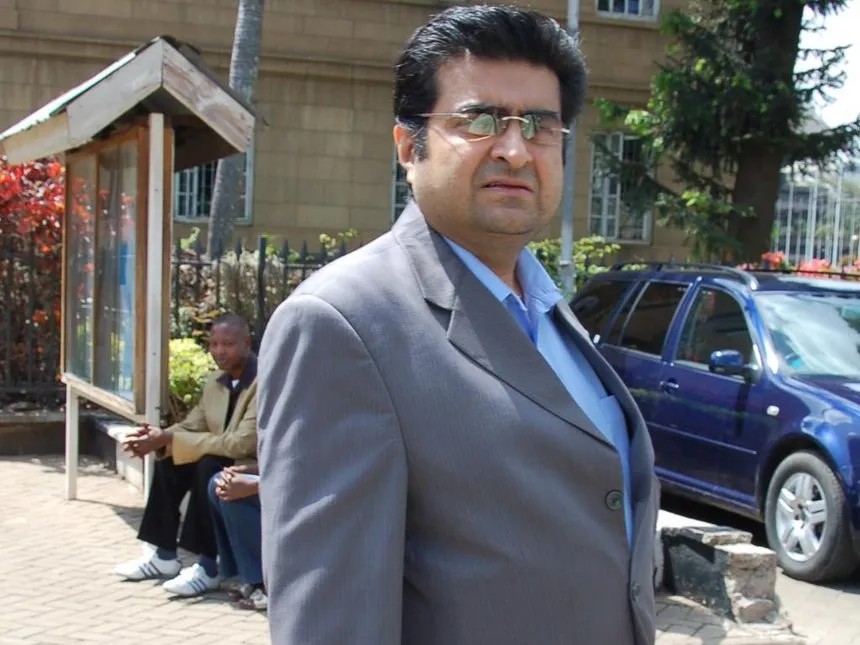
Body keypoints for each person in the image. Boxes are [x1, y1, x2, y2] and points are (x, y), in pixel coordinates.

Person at [258, 5, 659, 645]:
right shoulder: (342, 325)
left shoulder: (547, 306)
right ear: (407, 146)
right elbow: (331, 622)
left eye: (540, 126)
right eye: (479, 120)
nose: (514, 150)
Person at [115, 313, 258, 598]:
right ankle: (163, 556)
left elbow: (242, 443)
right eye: (214, 344)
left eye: (228, 344)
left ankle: (208, 567)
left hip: (251, 464)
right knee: (170, 460)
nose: (219, 351)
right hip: (221, 453)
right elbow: (193, 424)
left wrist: (171, 438)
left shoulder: (262, 383)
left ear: (247, 343)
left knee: (208, 465)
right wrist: (158, 437)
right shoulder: (215, 381)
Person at [207, 463, 267, 610]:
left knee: (234, 496)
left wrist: (254, 487)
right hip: (276, 480)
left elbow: (306, 475)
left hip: (303, 496)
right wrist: (245, 470)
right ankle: (246, 576)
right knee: (218, 483)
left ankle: (266, 584)